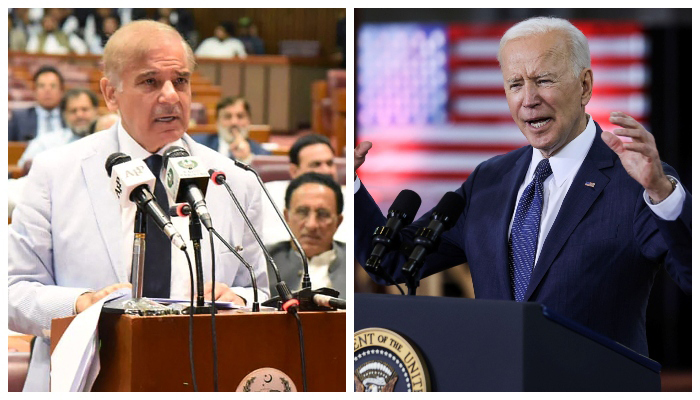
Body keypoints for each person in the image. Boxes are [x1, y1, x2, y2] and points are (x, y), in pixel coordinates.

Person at [354, 17, 691, 357]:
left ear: (585, 86)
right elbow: (390, 261)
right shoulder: (489, 180)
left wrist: (663, 195)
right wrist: (349, 187)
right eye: (515, 84)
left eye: (543, 80)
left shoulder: (637, 182)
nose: (529, 99)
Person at [8, 20, 268, 391]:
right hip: (88, 381)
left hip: (200, 377)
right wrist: (81, 304)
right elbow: (14, 292)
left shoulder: (233, 179)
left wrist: (238, 299)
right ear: (110, 93)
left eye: (180, 81)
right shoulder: (55, 172)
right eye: (150, 82)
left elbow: (260, 290)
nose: (171, 96)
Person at [268, 173, 345, 299]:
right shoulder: (263, 263)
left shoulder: (356, 264)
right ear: (287, 217)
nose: (311, 225)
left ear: (338, 221)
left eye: (323, 214)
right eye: (302, 212)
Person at [262, 133, 347, 245]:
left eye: (330, 163)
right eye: (316, 164)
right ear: (294, 171)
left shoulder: (353, 198)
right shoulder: (268, 195)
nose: (327, 171)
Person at [18, 88, 100, 169]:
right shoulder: (46, 142)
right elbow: (24, 166)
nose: (79, 115)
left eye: (84, 109)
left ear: (95, 111)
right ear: (64, 115)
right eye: (73, 111)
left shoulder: (106, 139)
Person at [192, 96, 271, 163]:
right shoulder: (196, 145)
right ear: (217, 121)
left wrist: (247, 160)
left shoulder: (262, 155)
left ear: (249, 121)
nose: (234, 122)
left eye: (240, 116)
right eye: (227, 116)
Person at [8, 65, 65, 142]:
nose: (47, 91)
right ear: (34, 91)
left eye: (53, 86)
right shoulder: (19, 118)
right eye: (42, 86)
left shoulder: (71, 116)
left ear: (61, 91)